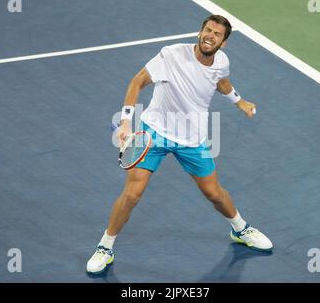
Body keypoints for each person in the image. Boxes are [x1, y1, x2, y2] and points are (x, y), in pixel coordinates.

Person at [86, 15, 273, 275]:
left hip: (192, 139)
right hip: (155, 132)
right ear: (200, 32)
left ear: (224, 43)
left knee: (214, 193)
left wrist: (239, 102)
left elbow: (221, 83)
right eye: (207, 30)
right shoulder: (171, 55)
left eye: (217, 34)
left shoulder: (221, 62)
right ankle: (105, 247)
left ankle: (241, 229)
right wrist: (127, 122)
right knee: (132, 194)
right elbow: (137, 81)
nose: (210, 36)